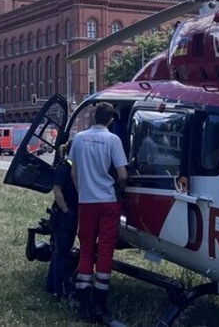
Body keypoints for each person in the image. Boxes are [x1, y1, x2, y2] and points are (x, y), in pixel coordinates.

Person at [70, 102, 128, 323]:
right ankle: (99, 305)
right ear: (111, 120)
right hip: (108, 202)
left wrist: (83, 191)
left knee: (85, 249)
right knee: (105, 250)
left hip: (87, 201)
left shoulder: (79, 139)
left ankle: (84, 304)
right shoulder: (113, 140)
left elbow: (74, 173)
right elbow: (122, 174)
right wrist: (120, 189)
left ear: (94, 117)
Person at [46, 141, 78, 300]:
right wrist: (66, 211)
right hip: (63, 213)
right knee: (62, 253)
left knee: (61, 251)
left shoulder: (73, 165)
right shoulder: (65, 166)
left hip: (68, 212)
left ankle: (52, 285)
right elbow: (57, 191)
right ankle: (59, 290)